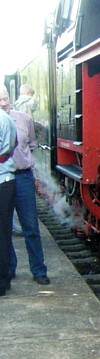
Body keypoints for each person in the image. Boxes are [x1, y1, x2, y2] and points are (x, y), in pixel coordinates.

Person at [0, 85, 50, 285]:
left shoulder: (25, 119)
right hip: (4, 179)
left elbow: (31, 147)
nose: (4, 103)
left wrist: (36, 176)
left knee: (30, 225)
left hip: (23, 177)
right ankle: (9, 268)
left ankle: (38, 270)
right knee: (4, 227)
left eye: (5, 99)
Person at [0, 108, 17, 296]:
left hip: (1, 179)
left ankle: (1, 282)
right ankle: (3, 280)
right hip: (6, 178)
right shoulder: (7, 118)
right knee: (3, 233)